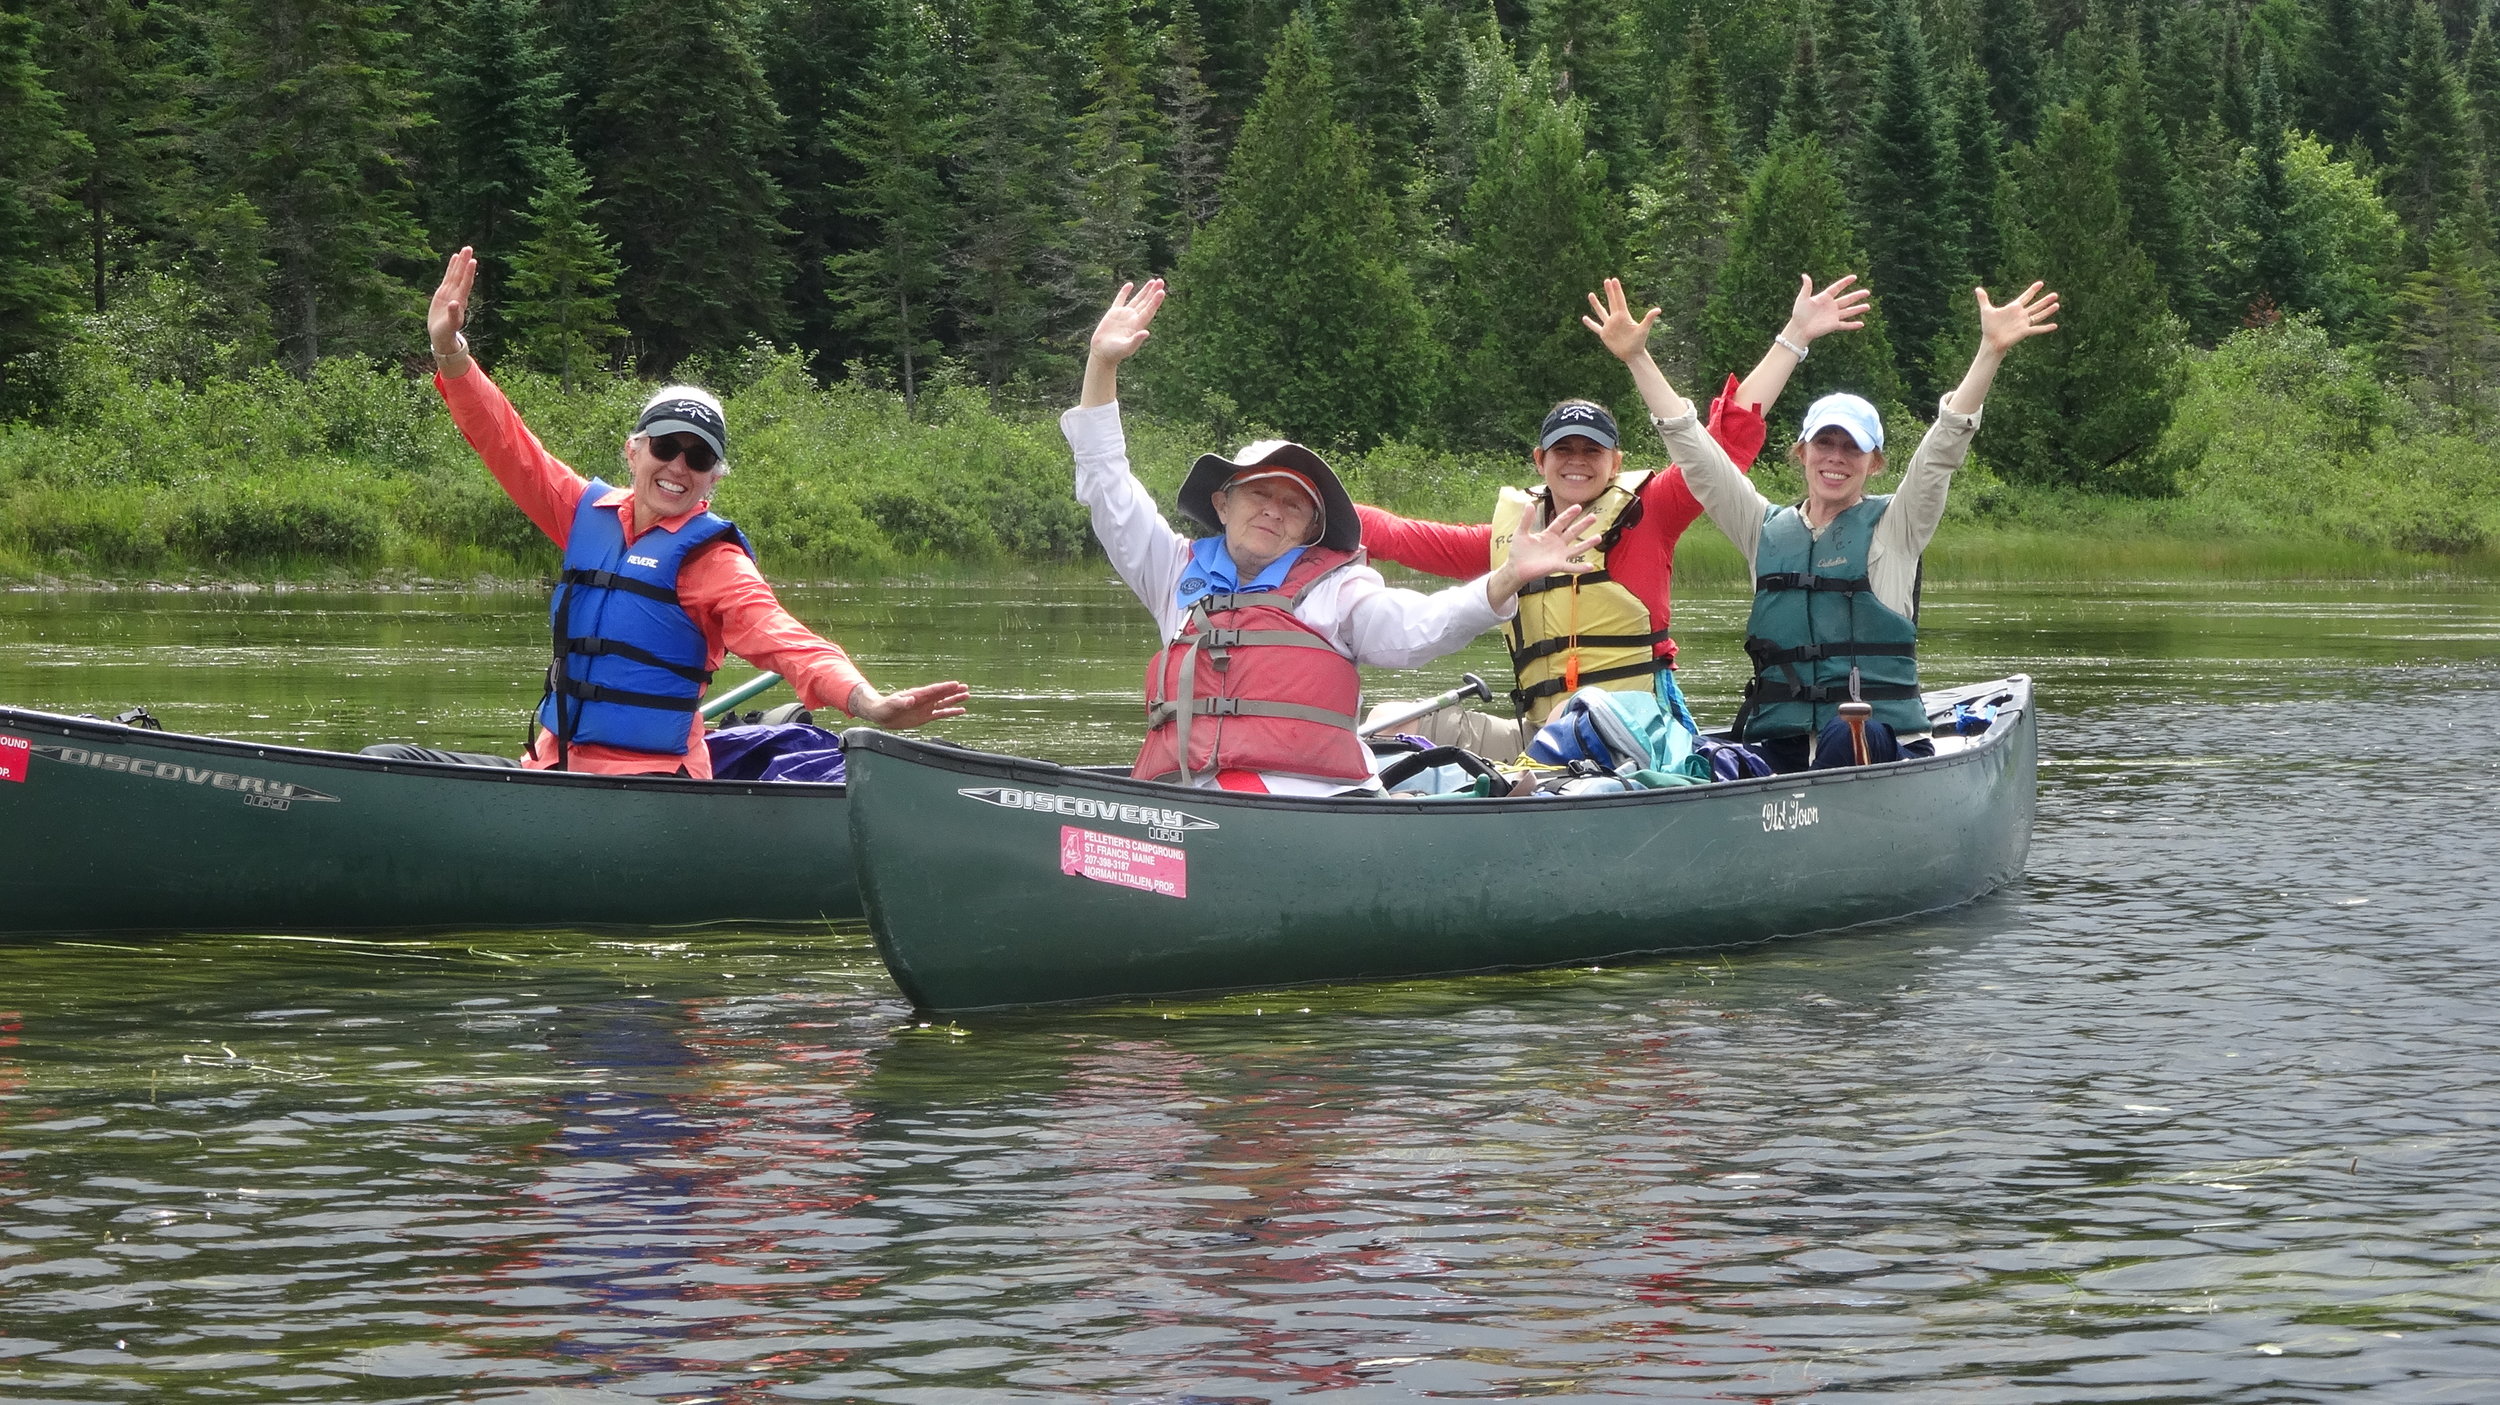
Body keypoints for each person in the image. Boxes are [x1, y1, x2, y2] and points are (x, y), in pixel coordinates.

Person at [389, 246, 969, 779]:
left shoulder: (712, 562)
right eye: (666, 447)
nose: (678, 466)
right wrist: (449, 350)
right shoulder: (582, 512)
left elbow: (787, 640)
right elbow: (506, 442)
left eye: (699, 457)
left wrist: (870, 703)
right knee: (390, 761)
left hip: (656, 784)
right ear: (633, 450)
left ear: (714, 477)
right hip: (553, 769)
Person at [1069, 278, 1606, 795]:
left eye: (1293, 505)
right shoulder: (1173, 571)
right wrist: (1101, 364)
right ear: (1221, 503)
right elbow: (1107, 484)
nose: (1273, 511)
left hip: (1314, 801)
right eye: (1258, 494)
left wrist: (1509, 576)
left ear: (1311, 529)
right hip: (1185, 798)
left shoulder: (1336, 590)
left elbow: (1421, 627)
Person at [1355, 275, 1872, 757]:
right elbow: (1397, 536)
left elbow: (1727, 440)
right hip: (1536, 738)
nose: (1577, 461)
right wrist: (1309, 502)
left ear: (1615, 462)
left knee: (1570, 721)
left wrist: (1794, 336)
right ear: (1540, 461)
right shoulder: (1513, 541)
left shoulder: (1653, 511)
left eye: (1592, 450)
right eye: (1564, 450)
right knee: (1387, 720)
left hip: (1635, 737)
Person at [1585, 274, 2058, 771]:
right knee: (1705, 761)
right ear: (1802, 452)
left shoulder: (1898, 527)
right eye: (1825, 443)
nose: (1836, 457)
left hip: (1876, 742)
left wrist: (1990, 351)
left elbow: (1943, 448)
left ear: (1874, 463)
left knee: (1845, 734)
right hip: (1782, 746)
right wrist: (1637, 358)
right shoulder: (1762, 528)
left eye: (1853, 447)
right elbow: (1694, 451)